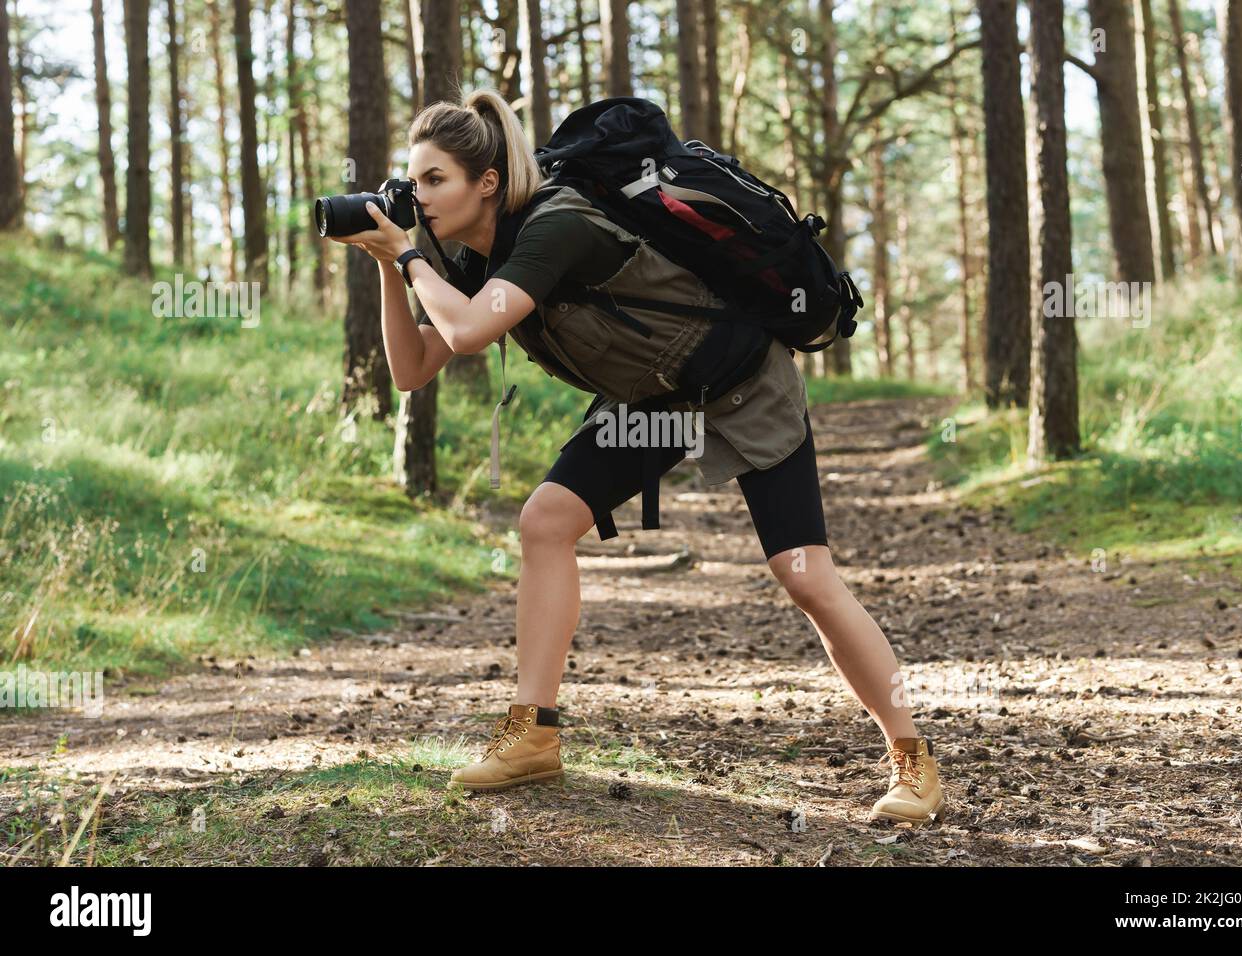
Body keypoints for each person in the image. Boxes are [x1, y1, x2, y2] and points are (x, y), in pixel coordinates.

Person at [328, 85, 945, 826]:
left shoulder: (555, 225)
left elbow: (466, 335)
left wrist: (407, 259)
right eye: (414, 180)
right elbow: (413, 368)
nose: (418, 197)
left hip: (742, 380)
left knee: (805, 575)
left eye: (435, 180)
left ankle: (914, 760)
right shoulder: (463, 256)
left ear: (486, 183)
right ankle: (534, 735)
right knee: (545, 522)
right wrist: (385, 265)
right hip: (654, 404)